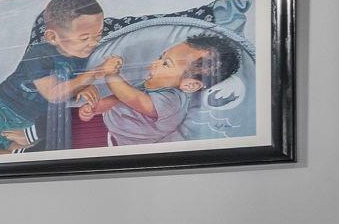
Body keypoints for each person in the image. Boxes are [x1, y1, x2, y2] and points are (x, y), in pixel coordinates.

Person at [0, 0, 111, 153]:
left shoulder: (83, 56)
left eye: (98, 35)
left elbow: (70, 86)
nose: (93, 43)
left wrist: (83, 87)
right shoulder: (38, 55)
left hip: (35, 120)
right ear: (53, 37)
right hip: (4, 109)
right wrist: (92, 75)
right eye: (84, 38)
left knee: (22, 152)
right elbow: (54, 94)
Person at [77, 32, 246, 144]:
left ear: (189, 84)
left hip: (130, 145)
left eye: (165, 63)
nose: (154, 63)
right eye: (160, 57)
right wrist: (96, 108)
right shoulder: (150, 85)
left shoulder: (172, 101)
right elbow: (118, 98)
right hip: (109, 130)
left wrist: (110, 74)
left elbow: (133, 99)